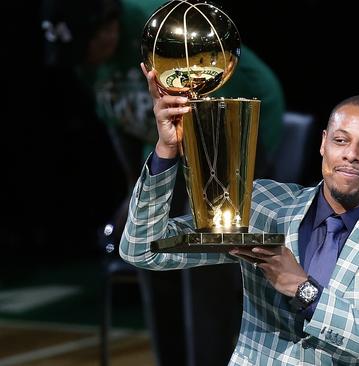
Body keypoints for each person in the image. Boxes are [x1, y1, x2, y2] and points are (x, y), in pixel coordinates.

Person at [120, 70, 359, 364]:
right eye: (341, 140)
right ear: (323, 144)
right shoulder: (265, 205)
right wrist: (166, 150)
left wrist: (304, 291)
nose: (351, 154)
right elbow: (142, 249)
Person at [76, 0, 286, 364]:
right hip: (170, 144)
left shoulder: (156, 31)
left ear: (107, 28)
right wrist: (137, 196)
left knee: (208, 250)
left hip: (232, 130)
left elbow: (199, 103)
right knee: (153, 241)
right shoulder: (87, 59)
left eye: (86, 46)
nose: (84, 61)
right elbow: (126, 128)